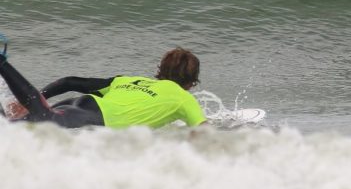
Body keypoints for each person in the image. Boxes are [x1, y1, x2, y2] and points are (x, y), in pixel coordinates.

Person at [0, 39, 207, 129]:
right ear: (191, 83)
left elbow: (69, 82)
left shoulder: (130, 80)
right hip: (89, 118)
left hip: (78, 105)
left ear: (160, 71)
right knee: (42, 116)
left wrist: (43, 96)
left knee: (11, 129)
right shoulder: (184, 99)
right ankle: (2, 64)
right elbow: (207, 134)